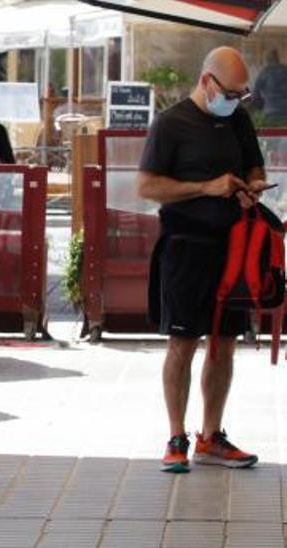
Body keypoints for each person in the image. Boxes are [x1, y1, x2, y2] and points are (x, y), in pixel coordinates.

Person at [137, 46, 270, 474]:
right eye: (231, 92)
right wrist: (205, 188)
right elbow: (148, 186)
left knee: (225, 343)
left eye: (242, 95)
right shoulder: (170, 124)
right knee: (183, 343)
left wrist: (254, 185)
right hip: (185, 245)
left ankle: (211, 436)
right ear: (208, 82)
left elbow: (253, 166)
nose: (235, 101)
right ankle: (176, 434)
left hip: (234, 246)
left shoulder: (239, 120)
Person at [251, 49, 287, 126]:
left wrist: (261, 106)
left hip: (270, 112)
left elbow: (255, 96)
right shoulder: (285, 70)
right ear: (277, 58)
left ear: (267, 59)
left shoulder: (264, 72)